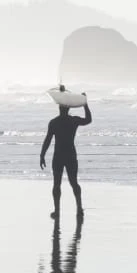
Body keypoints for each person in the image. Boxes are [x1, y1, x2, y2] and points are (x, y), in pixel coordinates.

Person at [40, 88, 91, 219]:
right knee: (73, 182)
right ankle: (79, 208)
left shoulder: (54, 122)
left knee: (57, 183)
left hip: (59, 156)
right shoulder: (73, 121)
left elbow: (47, 140)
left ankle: (57, 211)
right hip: (70, 155)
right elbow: (88, 120)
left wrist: (42, 155)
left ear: (60, 108)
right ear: (68, 109)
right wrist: (85, 104)